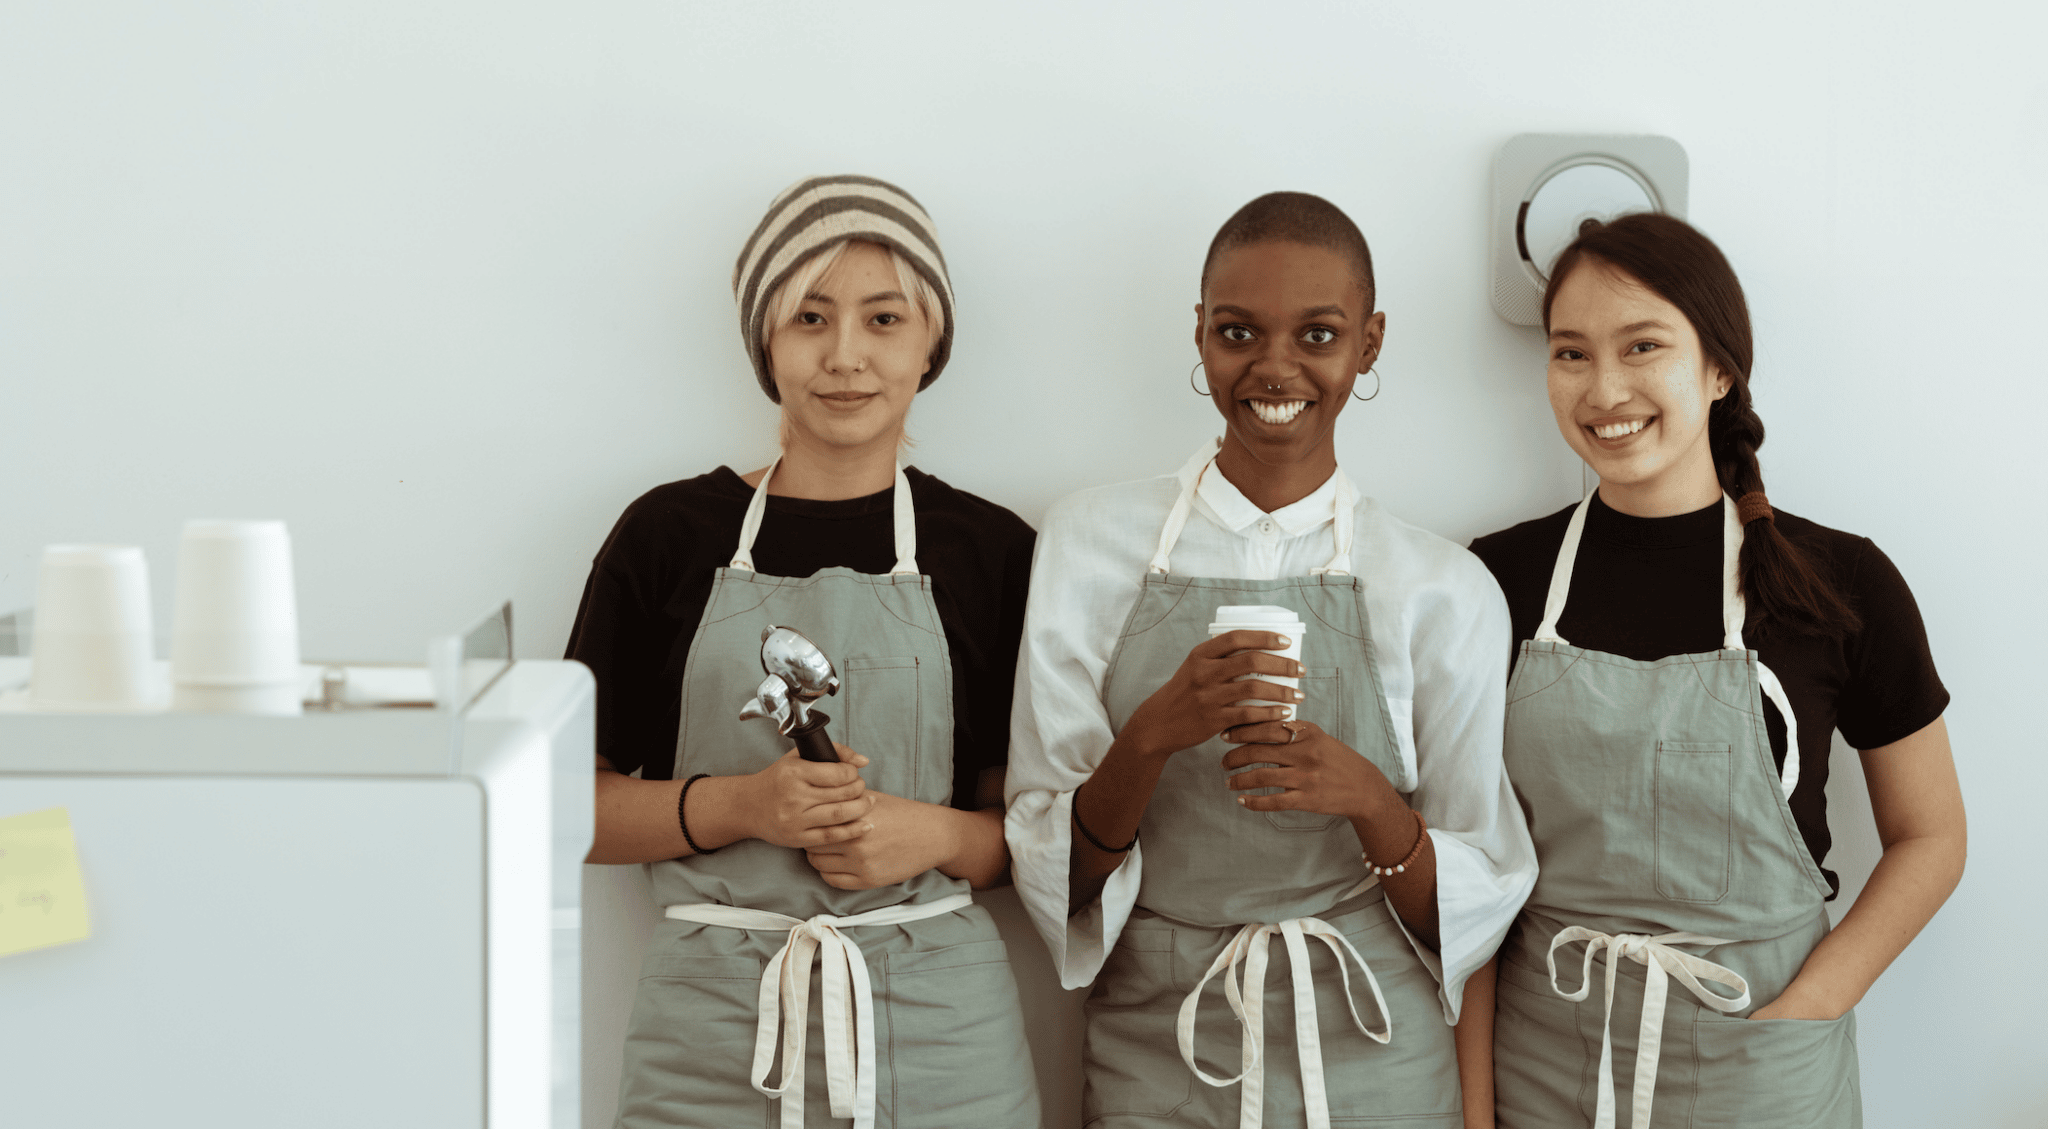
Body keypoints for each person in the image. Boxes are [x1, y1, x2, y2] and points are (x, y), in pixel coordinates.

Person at [1006, 191, 1536, 1129]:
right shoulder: (1089, 544)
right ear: (1200, 336)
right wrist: (1150, 738)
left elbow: (1475, 904)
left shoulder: (1440, 587)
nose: (1274, 367)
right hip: (1159, 1049)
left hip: (1375, 1056)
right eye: (1238, 331)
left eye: (1319, 335)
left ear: (1370, 343)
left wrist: (1372, 802)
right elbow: (1058, 877)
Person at [1469, 212, 1966, 1129]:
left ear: (1719, 367)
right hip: (1545, 1064)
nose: (1603, 387)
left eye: (1642, 345)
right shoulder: (1496, 580)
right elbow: (1472, 865)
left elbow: (1931, 836)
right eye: (1570, 353)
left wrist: (1814, 1004)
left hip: (1761, 1065)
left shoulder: (1842, 580)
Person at [568, 174, 1040, 1129]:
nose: (845, 357)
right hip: (708, 1036)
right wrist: (743, 805)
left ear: (930, 341)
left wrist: (934, 836)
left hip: (941, 1036)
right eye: (810, 318)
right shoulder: (668, 535)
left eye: (882, 319)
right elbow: (565, 806)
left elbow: (1041, 827)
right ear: (766, 343)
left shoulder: (990, 550)